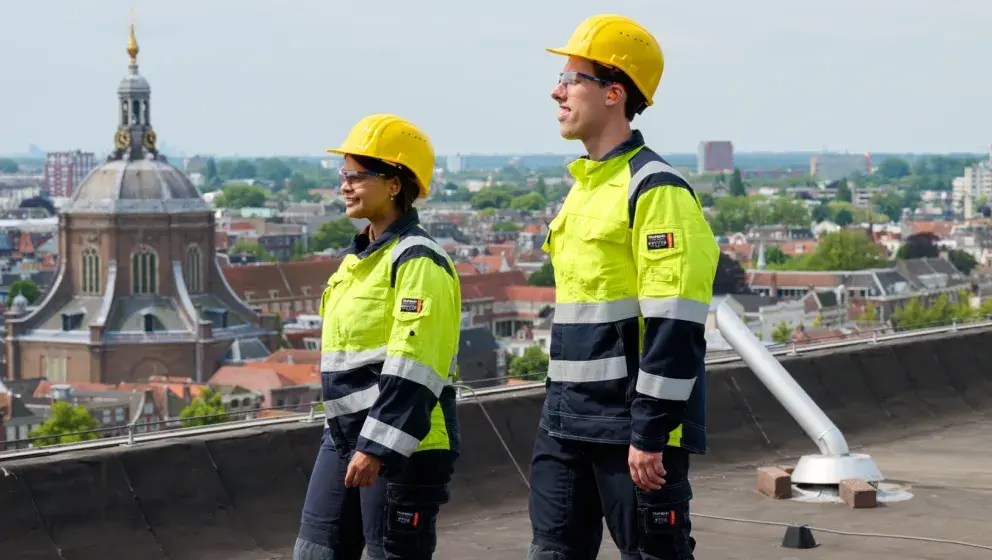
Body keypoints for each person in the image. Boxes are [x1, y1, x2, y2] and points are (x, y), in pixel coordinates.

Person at [526, 14, 719, 560]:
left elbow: (676, 322)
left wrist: (650, 431)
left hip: (629, 428)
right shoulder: (586, 187)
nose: (555, 90)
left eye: (571, 78)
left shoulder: (655, 189)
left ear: (614, 93)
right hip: (565, 421)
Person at [294, 114, 462, 560]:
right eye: (343, 175)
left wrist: (377, 447)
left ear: (394, 184)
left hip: (402, 443)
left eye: (357, 176)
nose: (345, 185)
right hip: (345, 436)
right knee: (315, 551)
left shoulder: (418, 260)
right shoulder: (358, 261)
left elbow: (415, 363)